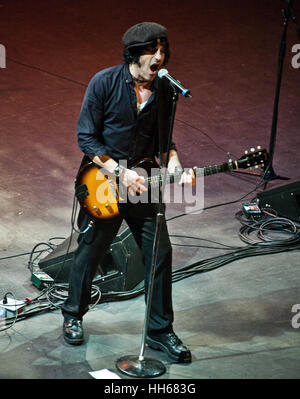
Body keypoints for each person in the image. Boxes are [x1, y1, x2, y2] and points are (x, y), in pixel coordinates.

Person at [61, 22, 195, 363]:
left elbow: (165, 142)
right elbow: (87, 138)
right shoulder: (103, 82)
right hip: (103, 180)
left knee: (160, 254)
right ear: (135, 54)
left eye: (164, 50)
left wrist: (174, 161)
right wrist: (119, 171)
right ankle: (73, 314)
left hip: (143, 183)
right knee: (90, 251)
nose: (160, 57)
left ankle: (160, 331)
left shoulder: (165, 90)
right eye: (154, 50)